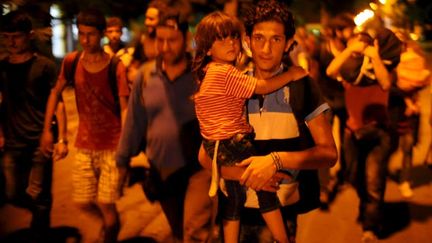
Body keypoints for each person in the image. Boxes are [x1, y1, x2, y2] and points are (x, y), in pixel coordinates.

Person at [199, 1, 337, 242]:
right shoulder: (232, 86)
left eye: (276, 40)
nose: (266, 49)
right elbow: (204, 156)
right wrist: (245, 174)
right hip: (236, 217)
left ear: (289, 43)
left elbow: (329, 154)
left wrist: (276, 161)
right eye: (259, 38)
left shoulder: (302, 87)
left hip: (281, 216)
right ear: (247, 40)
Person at [115, 9, 213, 243]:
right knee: (179, 231)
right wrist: (122, 162)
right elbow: (134, 121)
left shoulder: (202, 75)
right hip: (162, 170)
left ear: (186, 40)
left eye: (172, 40)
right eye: (160, 40)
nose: (166, 47)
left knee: (195, 232)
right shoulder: (145, 75)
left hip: (198, 170)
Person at [40, 9, 129, 243]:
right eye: (81, 34)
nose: (85, 39)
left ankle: (109, 233)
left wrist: (126, 148)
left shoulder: (115, 66)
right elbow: (55, 93)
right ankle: (108, 226)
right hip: (84, 143)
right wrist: (50, 132)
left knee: (105, 202)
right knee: (81, 201)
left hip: (112, 145)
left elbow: (125, 109)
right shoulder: (72, 61)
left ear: (100, 34)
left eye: (90, 34)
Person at [326, 23, 402, 242]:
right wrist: (349, 51)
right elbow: (331, 71)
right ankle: (366, 207)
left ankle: (370, 227)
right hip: (353, 133)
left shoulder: (382, 66)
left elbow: (386, 84)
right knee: (354, 178)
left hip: (379, 133)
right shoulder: (351, 69)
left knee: (373, 181)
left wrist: (374, 55)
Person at [0, 10, 64, 239]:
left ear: (29, 35)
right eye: (6, 37)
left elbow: (57, 102)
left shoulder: (45, 66)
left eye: (16, 36)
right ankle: (39, 211)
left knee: (40, 194)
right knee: (12, 193)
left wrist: (54, 135)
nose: (11, 42)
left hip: (40, 140)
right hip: (13, 142)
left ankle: (41, 232)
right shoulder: (3, 67)